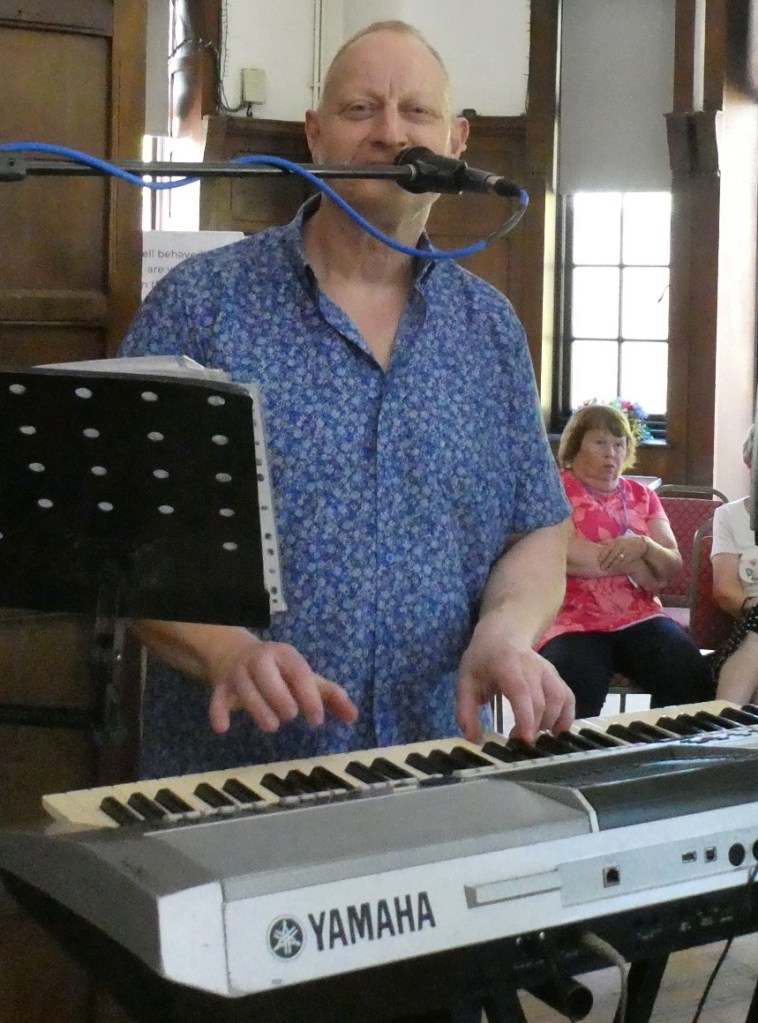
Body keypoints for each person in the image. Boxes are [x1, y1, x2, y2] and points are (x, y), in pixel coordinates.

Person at [120, 20, 574, 779]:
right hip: (232, 776)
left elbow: (537, 526)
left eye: (416, 112)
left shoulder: (490, 328)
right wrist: (227, 652)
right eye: (361, 110)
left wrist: (504, 633)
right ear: (314, 133)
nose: (390, 134)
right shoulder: (202, 305)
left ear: (456, 140)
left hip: (437, 766)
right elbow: (125, 535)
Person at [536, 403, 714, 718]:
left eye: (619, 444)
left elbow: (671, 564)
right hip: (570, 617)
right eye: (600, 442)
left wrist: (643, 545)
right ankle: (576, 751)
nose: (611, 453)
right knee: (576, 677)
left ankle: (667, 747)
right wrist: (637, 564)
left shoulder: (642, 495)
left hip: (638, 615)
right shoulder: (554, 491)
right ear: (575, 446)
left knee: (687, 669)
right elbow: (564, 555)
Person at [711, 425, 758, 703]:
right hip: (749, 618)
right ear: (749, 461)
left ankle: (723, 716)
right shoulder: (728, 516)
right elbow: (725, 590)